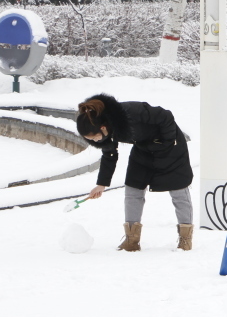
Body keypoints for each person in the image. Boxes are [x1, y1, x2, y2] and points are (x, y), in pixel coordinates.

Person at [76, 94, 194, 252]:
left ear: (102, 127)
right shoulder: (107, 129)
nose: (96, 141)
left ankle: (185, 240)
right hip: (143, 149)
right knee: (133, 188)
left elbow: (165, 115)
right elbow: (109, 154)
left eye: (95, 137)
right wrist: (101, 184)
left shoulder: (130, 113)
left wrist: (166, 141)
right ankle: (131, 240)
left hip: (170, 147)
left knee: (179, 190)